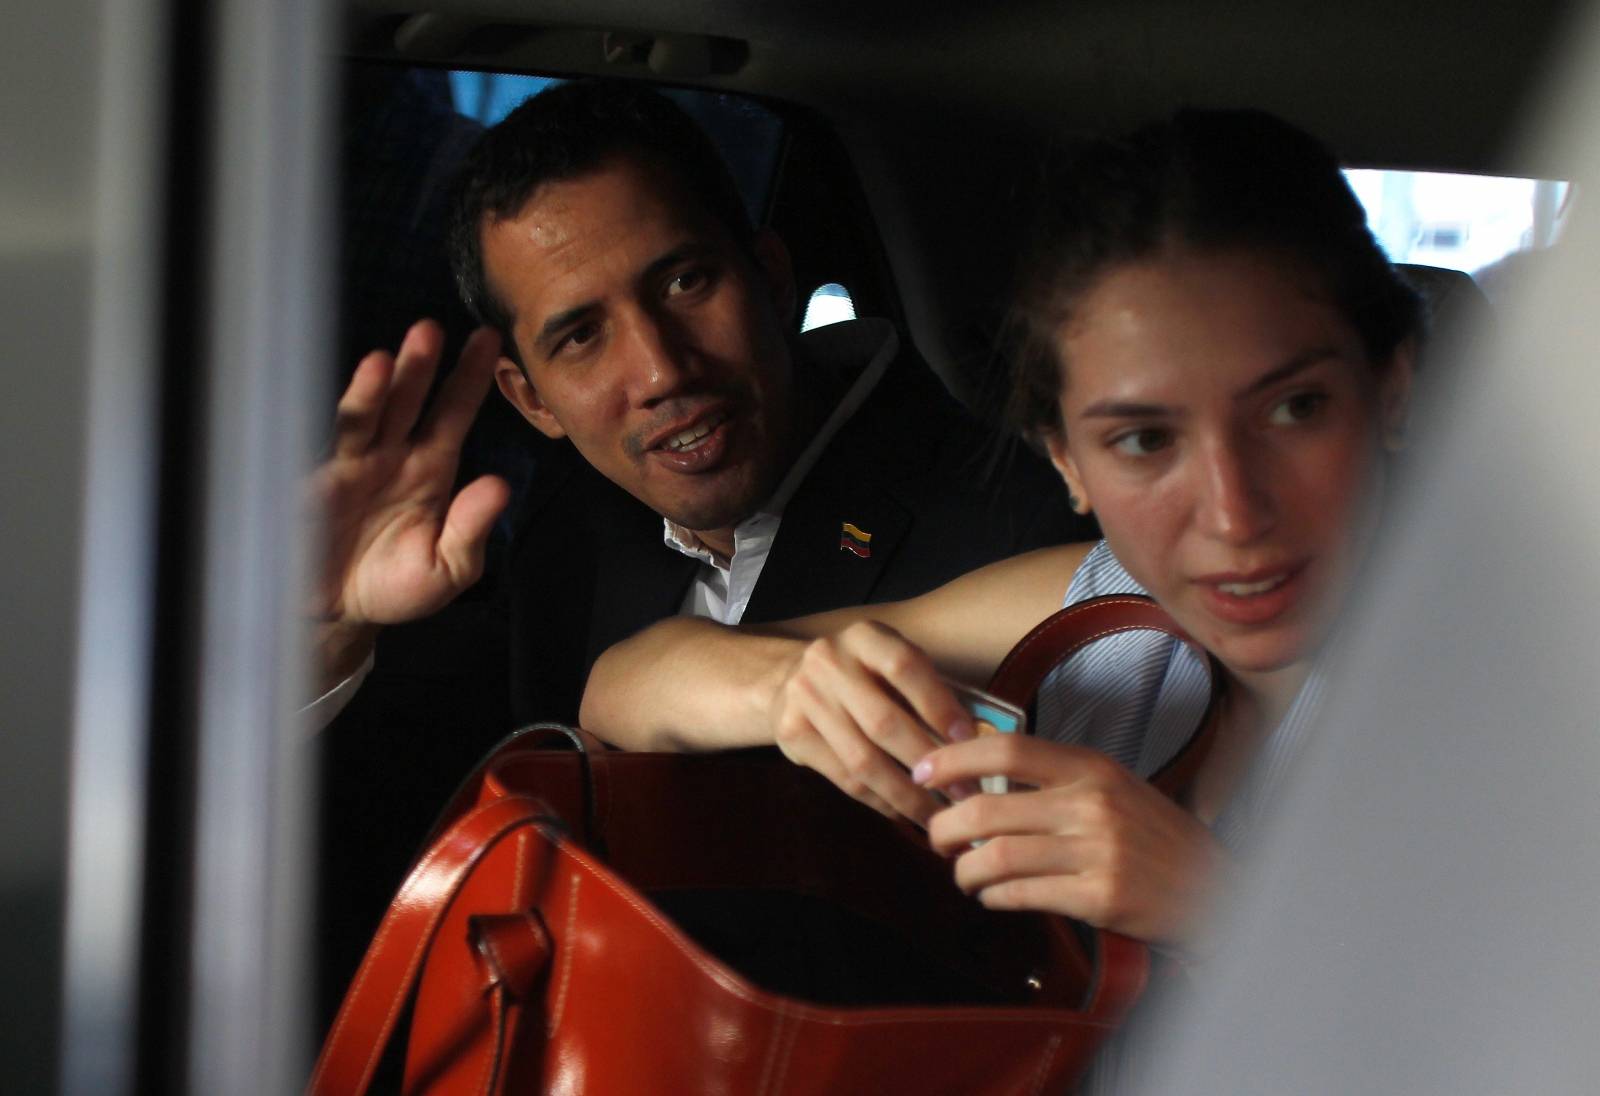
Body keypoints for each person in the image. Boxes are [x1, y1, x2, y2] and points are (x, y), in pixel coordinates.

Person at [309, 78, 1086, 1029]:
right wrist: (331, 627)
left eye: (685, 282)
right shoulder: (571, 528)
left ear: (770, 272)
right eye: (582, 336)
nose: (662, 370)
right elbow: (416, 825)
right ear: (530, 400)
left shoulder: (1012, 518)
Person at [580, 107, 1420, 964]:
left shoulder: (1512, 684)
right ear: (1068, 465)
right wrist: (793, 686)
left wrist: (1216, 905)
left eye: (1294, 410)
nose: (1233, 513)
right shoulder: (1107, 612)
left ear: (1392, 388)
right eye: (1144, 442)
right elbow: (622, 688)